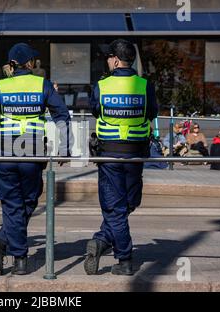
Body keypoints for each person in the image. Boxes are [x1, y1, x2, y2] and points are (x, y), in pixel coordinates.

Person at [0, 43, 73, 275]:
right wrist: (65, 147)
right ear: (31, 64)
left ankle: (2, 243)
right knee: (29, 199)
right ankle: (19, 258)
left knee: (13, 204)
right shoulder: (42, 85)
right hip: (31, 151)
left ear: (11, 64)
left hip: (4, 151)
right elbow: (61, 114)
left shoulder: (0, 87)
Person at [86, 39, 158, 276]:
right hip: (135, 154)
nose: (107, 61)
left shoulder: (102, 85)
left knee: (116, 208)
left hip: (110, 155)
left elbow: (95, 109)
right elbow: (152, 112)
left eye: (108, 57)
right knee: (128, 202)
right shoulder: (145, 85)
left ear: (116, 60)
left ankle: (115, 250)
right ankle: (112, 247)